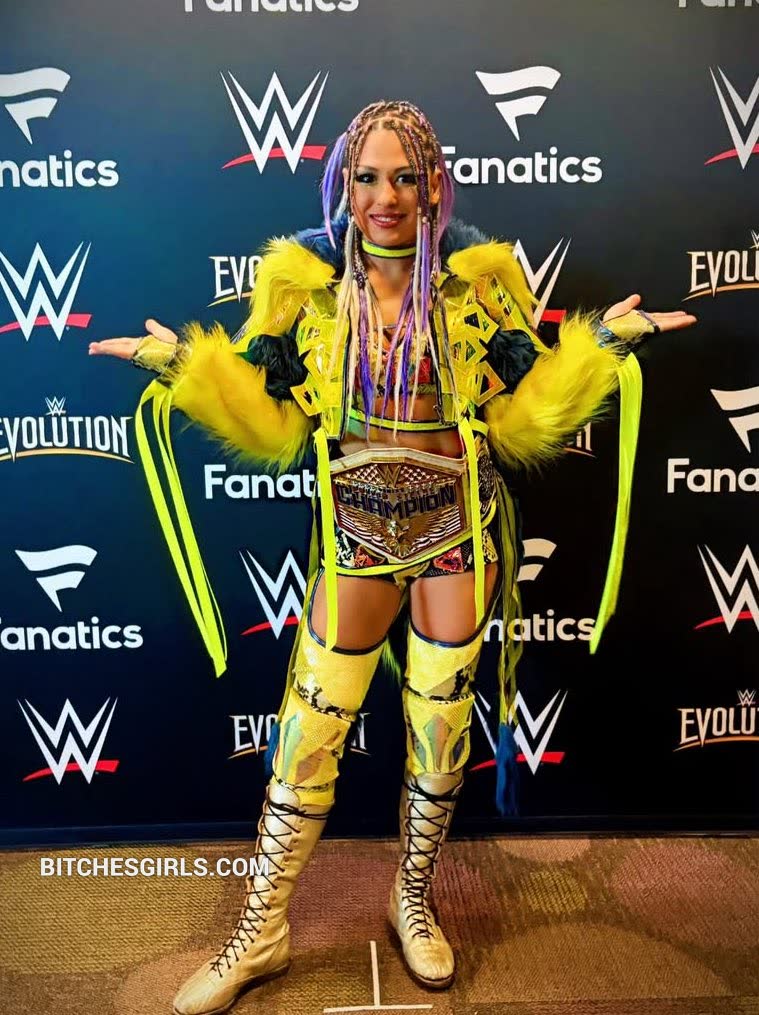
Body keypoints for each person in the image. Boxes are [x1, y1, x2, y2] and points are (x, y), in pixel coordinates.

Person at [89, 100, 696, 1015]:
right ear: (342, 186)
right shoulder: (301, 292)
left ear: (433, 185)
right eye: (367, 177)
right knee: (308, 731)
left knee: (441, 726)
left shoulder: (476, 288)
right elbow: (273, 422)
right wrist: (188, 371)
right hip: (356, 534)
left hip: (455, 530)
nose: (385, 197)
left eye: (404, 177)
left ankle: (411, 898)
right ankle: (261, 928)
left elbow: (522, 415)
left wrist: (598, 349)